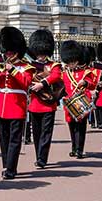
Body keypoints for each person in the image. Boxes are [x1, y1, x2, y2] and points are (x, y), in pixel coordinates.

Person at [0, 27, 34, 180]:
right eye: (6, 52)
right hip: (2, 107)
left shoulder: (26, 67)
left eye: (10, 52)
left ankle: (11, 168)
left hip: (17, 107)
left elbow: (26, 83)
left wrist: (13, 70)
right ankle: (6, 165)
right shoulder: (1, 66)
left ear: (17, 51)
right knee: (3, 139)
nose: (7, 54)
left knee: (14, 140)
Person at [26, 29, 62, 168]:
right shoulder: (32, 66)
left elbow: (56, 76)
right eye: (38, 53)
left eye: (42, 53)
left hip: (48, 104)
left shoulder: (53, 65)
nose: (40, 56)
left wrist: (42, 83)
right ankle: (38, 155)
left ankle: (42, 158)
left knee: (46, 133)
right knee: (36, 133)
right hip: (34, 104)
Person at [60, 40, 96, 159]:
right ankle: (74, 148)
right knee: (71, 126)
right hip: (69, 103)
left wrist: (85, 82)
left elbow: (92, 83)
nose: (71, 64)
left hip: (81, 102)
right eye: (69, 62)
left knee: (80, 127)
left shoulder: (85, 72)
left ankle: (80, 149)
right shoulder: (65, 73)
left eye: (73, 62)